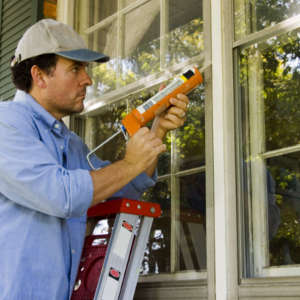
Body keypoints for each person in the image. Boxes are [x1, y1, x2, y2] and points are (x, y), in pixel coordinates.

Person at [0, 19, 189, 300]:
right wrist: (130, 163)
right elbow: (60, 195)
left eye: (85, 69)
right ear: (39, 76)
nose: (87, 79)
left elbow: (124, 185)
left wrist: (156, 130)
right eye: (75, 68)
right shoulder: (7, 123)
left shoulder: (70, 143)